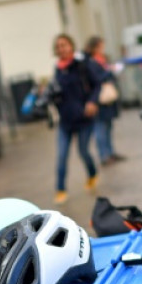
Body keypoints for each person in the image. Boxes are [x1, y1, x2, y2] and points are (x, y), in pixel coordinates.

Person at [49, 33, 104, 205]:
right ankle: (60, 189)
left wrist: (92, 102)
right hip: (65, 121)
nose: (61, 49)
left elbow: (97, 84)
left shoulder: (82, 65)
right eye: (58, 46)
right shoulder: (57, 70)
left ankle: (92, 174)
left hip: (84, 119)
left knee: (83, 151)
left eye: (64, 45)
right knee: (62, 156)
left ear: (71, 46)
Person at [83, 35, 126, 167]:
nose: (103, 48)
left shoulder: (101, 61)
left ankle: (110, 152)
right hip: (99, 100)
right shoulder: (90, 62)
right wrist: (110, 71)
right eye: (101, 46)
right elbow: (97, 79)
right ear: (95, 47)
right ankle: (104, 155)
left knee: (108, 126)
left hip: (107, 100)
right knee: (100, 128)